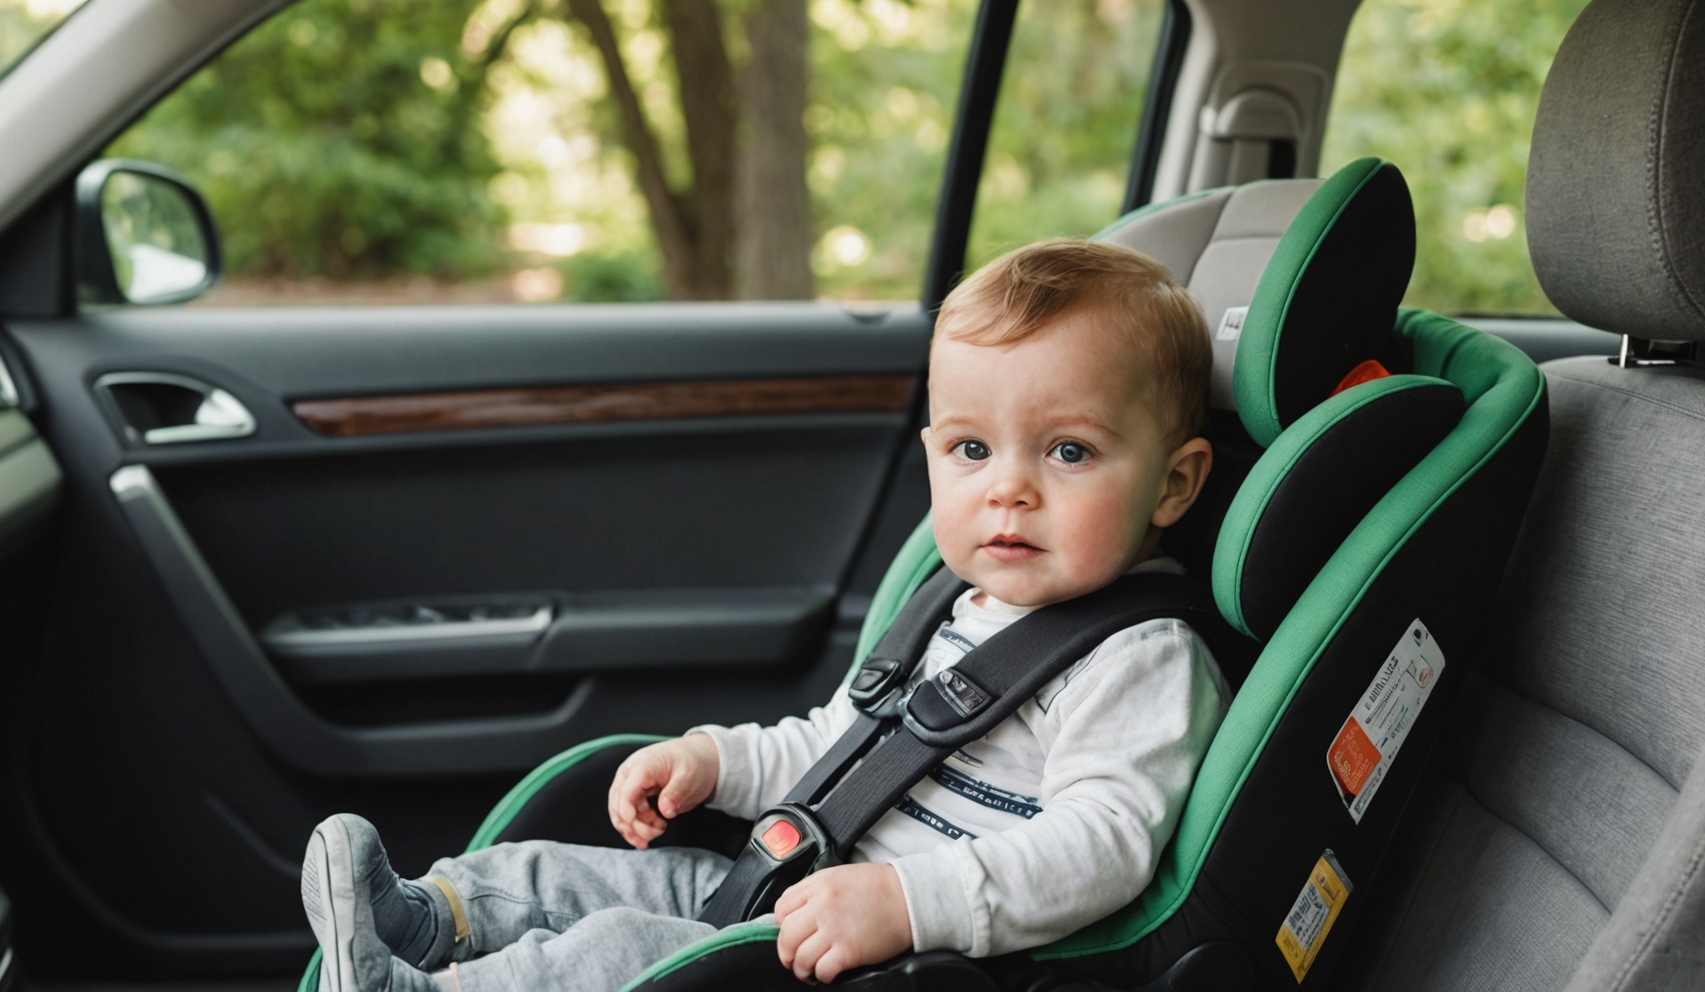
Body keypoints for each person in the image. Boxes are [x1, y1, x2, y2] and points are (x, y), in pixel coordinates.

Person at [301, 238, 1230, 992]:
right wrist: (717, 760)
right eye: (971, 449)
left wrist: (909, 902)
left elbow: (1100, 844)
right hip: (792, 886)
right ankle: (423, 919)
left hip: (891, 950)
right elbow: (838, 747)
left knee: (617, 954)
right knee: (573, 876)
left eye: (1068, 451)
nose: (1008, 491)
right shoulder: (957, 603)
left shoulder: (1140, 657)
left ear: (1173, 483)